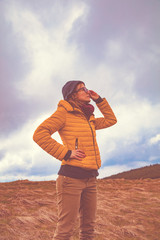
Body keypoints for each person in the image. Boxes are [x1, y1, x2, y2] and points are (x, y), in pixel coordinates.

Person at [33, 80, 117, 240]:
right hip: (70, 179)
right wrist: (66, 153)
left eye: (86, 87)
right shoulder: (63, 113)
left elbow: (111, 120)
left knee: (88, 229)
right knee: (65, 231)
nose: (87, 91)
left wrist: (99, 100)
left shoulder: (88, 117)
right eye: (82, 89)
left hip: (91, 179)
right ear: (72, 95)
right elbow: (39, 134)